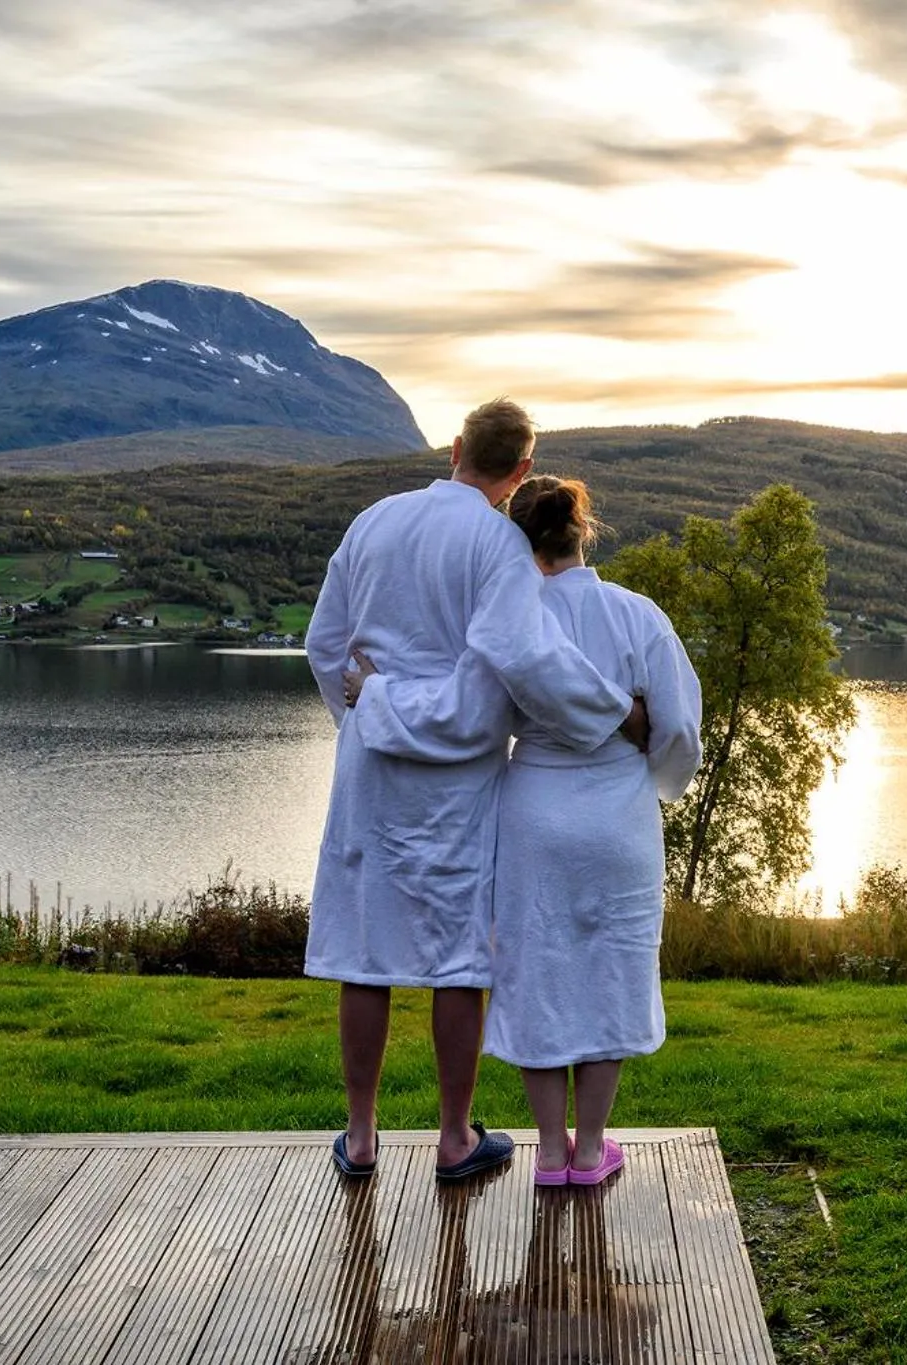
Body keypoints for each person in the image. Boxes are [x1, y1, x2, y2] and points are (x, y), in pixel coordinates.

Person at [304, 399, 648, 1184]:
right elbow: (515, 664)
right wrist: (618, 714)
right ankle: (454, 1137)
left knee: (366, 951)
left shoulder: (374, 520)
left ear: (455, 447)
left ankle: (360, 1136)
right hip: (453, 781)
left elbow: (327, 644)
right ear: (521, 470)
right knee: (456, 956)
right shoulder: (499, 543)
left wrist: (364, 714)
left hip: (369, 772)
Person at [347, 474, 702, 1186]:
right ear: (582, 531)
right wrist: (646, 755)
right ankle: (593, 1146)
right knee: (610, 969)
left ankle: (547, 1149)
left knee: (537, 967)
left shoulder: (505, 625)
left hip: (533, 809)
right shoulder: (638, 615)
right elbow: (680, 730)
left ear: (517, 538)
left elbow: (462, 712)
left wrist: (377, 696)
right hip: (616, 818)